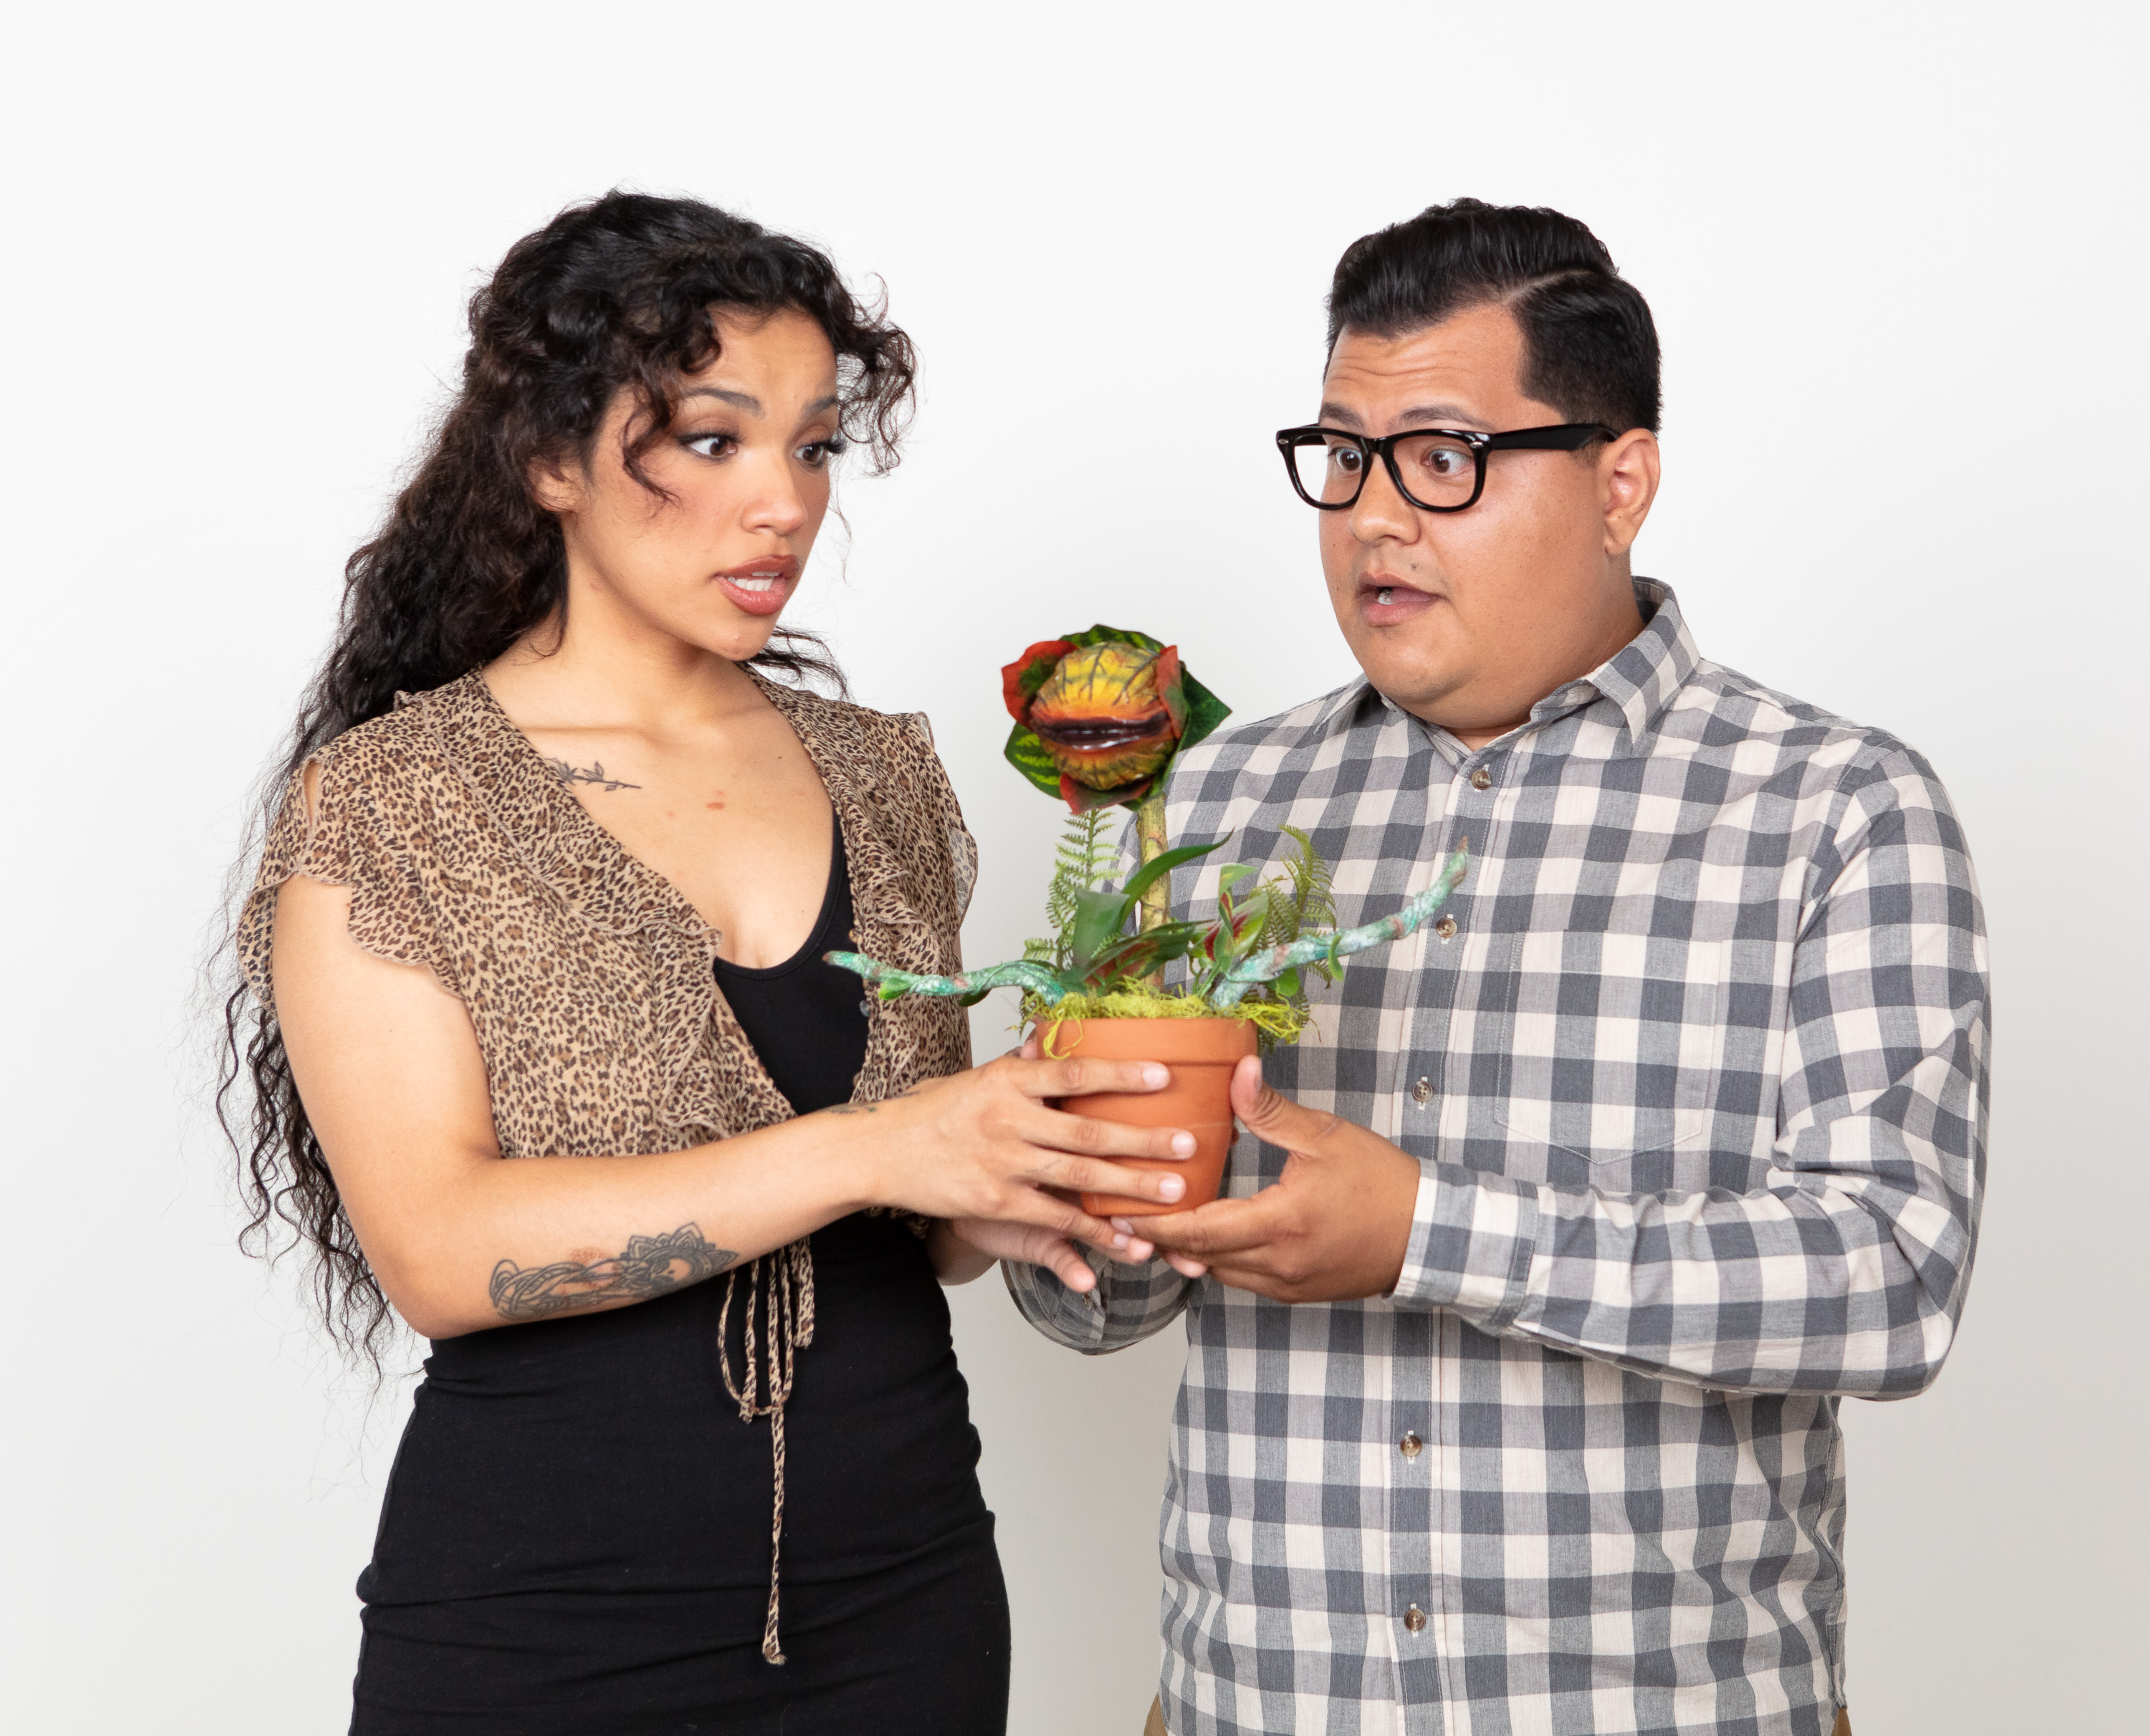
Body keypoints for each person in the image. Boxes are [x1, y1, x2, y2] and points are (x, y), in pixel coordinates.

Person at [224, 190, 1198, 1736]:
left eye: (815, 446)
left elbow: (919, 1224)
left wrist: (1043, 1147)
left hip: (908, 1596)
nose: (787, 505)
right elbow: (440, 1249)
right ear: (548, 461)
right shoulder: (397, 801)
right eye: (713, 439)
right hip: (539, 1623)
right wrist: (886, 1140)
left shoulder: (880, 778)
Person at [1007, 199, 1987, 1736]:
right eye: (1341, 457)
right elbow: (1084, 1318)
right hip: (1257, 1702)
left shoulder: (1832, 807)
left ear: (1622, 481)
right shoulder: (1204, 800)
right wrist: (1072, 1193)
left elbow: (1890, 1279)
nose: (1374, 518)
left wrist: (1427, 1234)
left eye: (1444, 459)